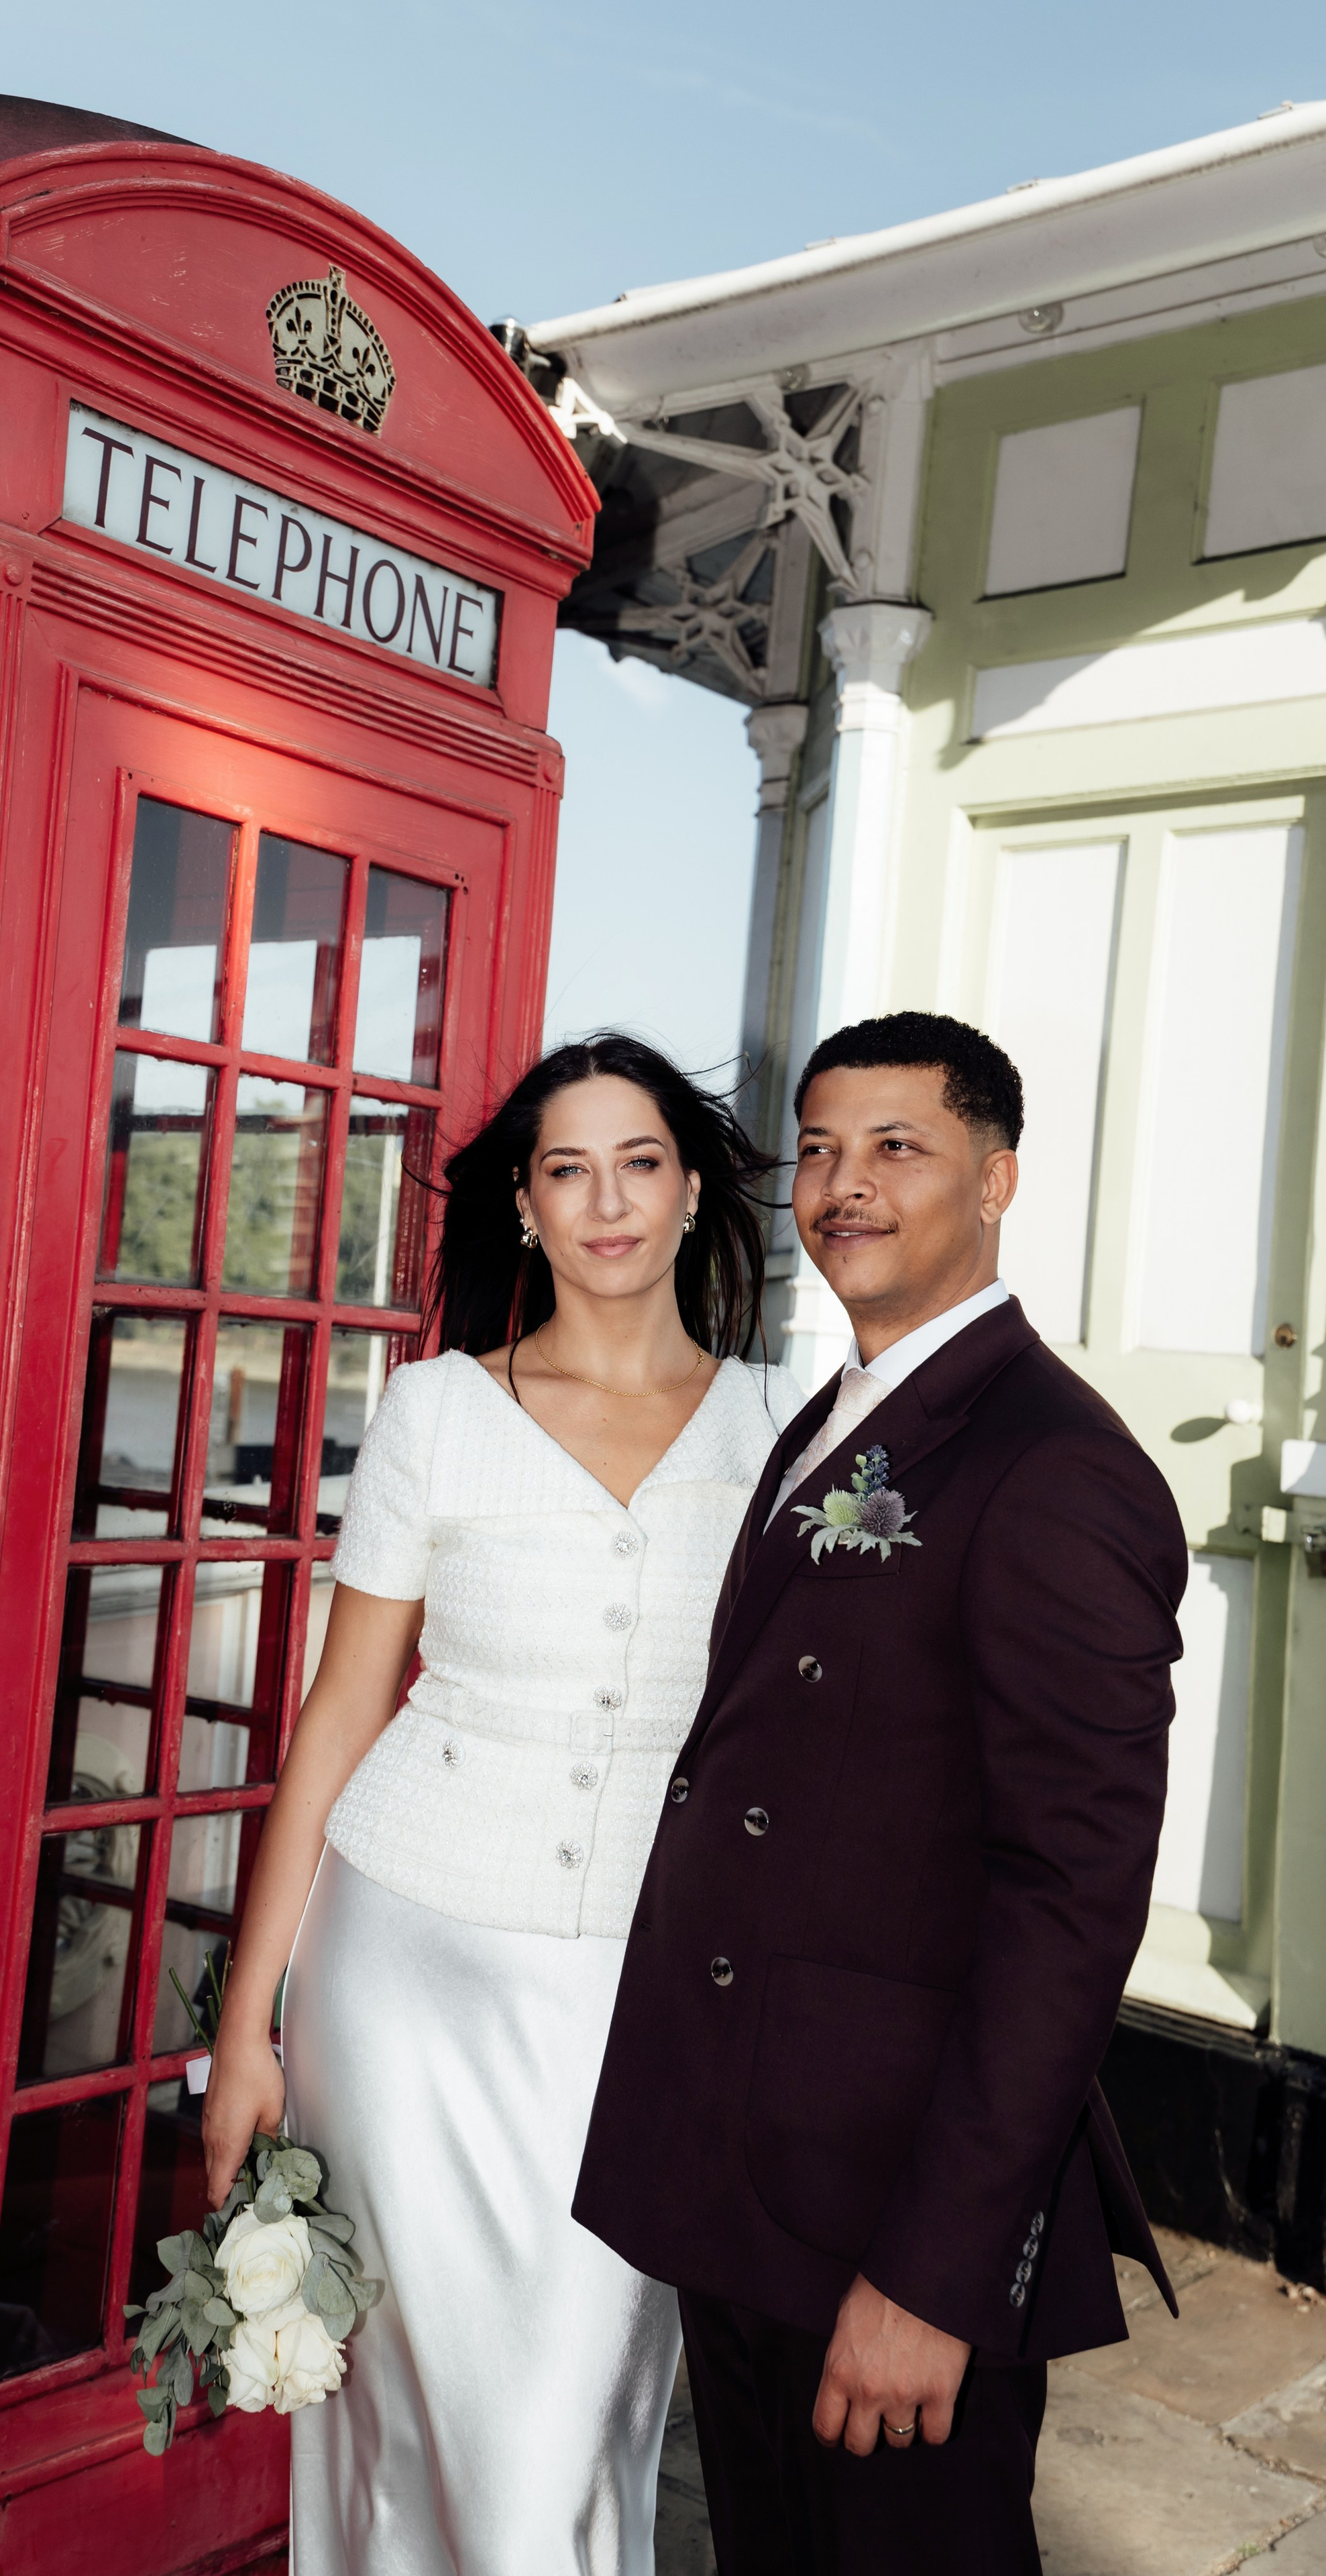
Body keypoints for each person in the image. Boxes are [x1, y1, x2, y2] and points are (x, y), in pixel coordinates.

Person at [573, 1010, 1189, 2576]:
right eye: (819, 1150)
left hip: (887, 2203)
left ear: (994, 1180)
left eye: (895, 1148)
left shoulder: (1053, 1467)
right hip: (752, 2167)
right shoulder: (835, 1414)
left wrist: (930, 2278)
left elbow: (1067, 1903)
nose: (843, 1185)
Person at [202, 1030, 805, 2575]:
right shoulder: (436, 1412)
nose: (605, 1202)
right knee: (406, 2417)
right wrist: (245, 2030)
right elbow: (342, 1713)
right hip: (403, 1979)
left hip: (649, 1990)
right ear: (524, 1208)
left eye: (639, 1162)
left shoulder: (783, 1424)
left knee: (565, 2438)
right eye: (566, 1170)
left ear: (690, 1190)